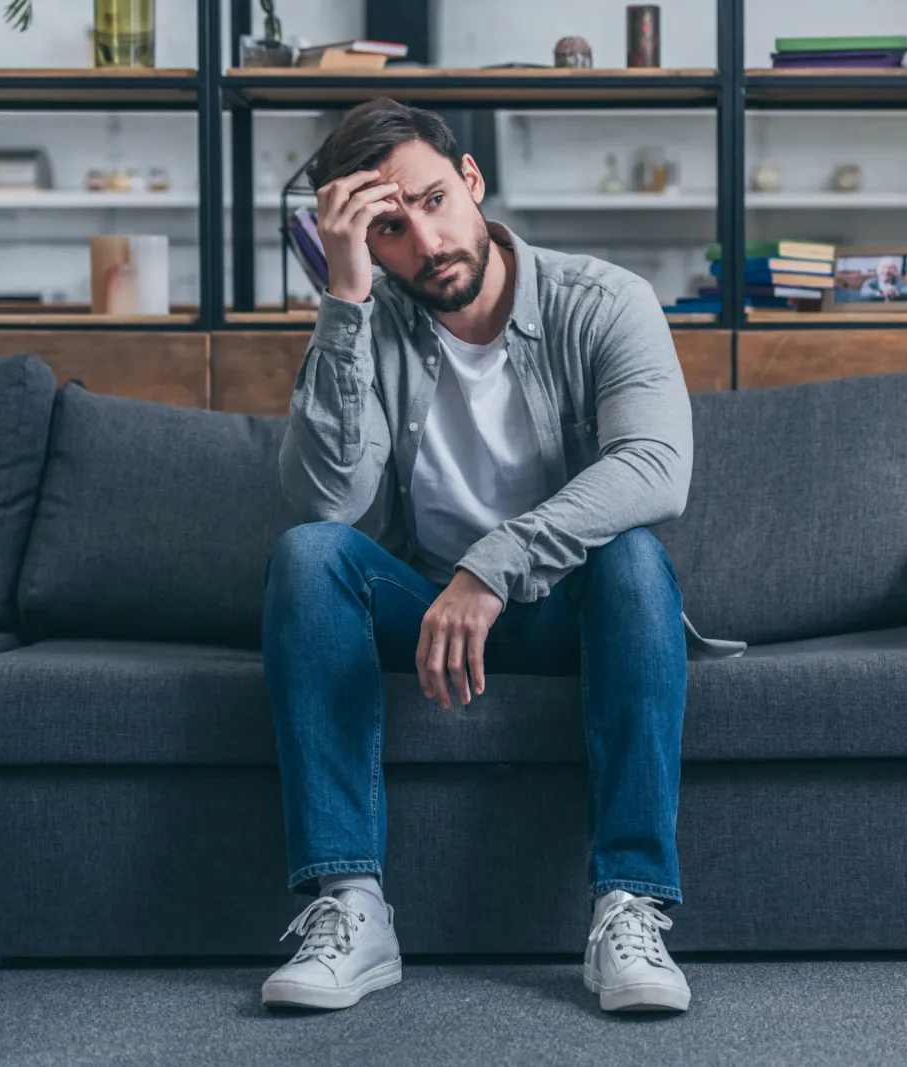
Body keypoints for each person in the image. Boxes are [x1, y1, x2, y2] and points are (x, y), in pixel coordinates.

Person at [259, 97, 745, 1015]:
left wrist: (494, 565)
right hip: (427, 618)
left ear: (472, 179)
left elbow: (655, 467)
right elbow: (329, 499)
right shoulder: (368, 318)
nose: (427, 242)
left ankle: (629, 906)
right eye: (389, 229)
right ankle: (351, 905)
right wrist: (344, 299)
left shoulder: (603, 301)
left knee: (634, 559)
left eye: (435, 200)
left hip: (568, 611)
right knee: (309, 554)